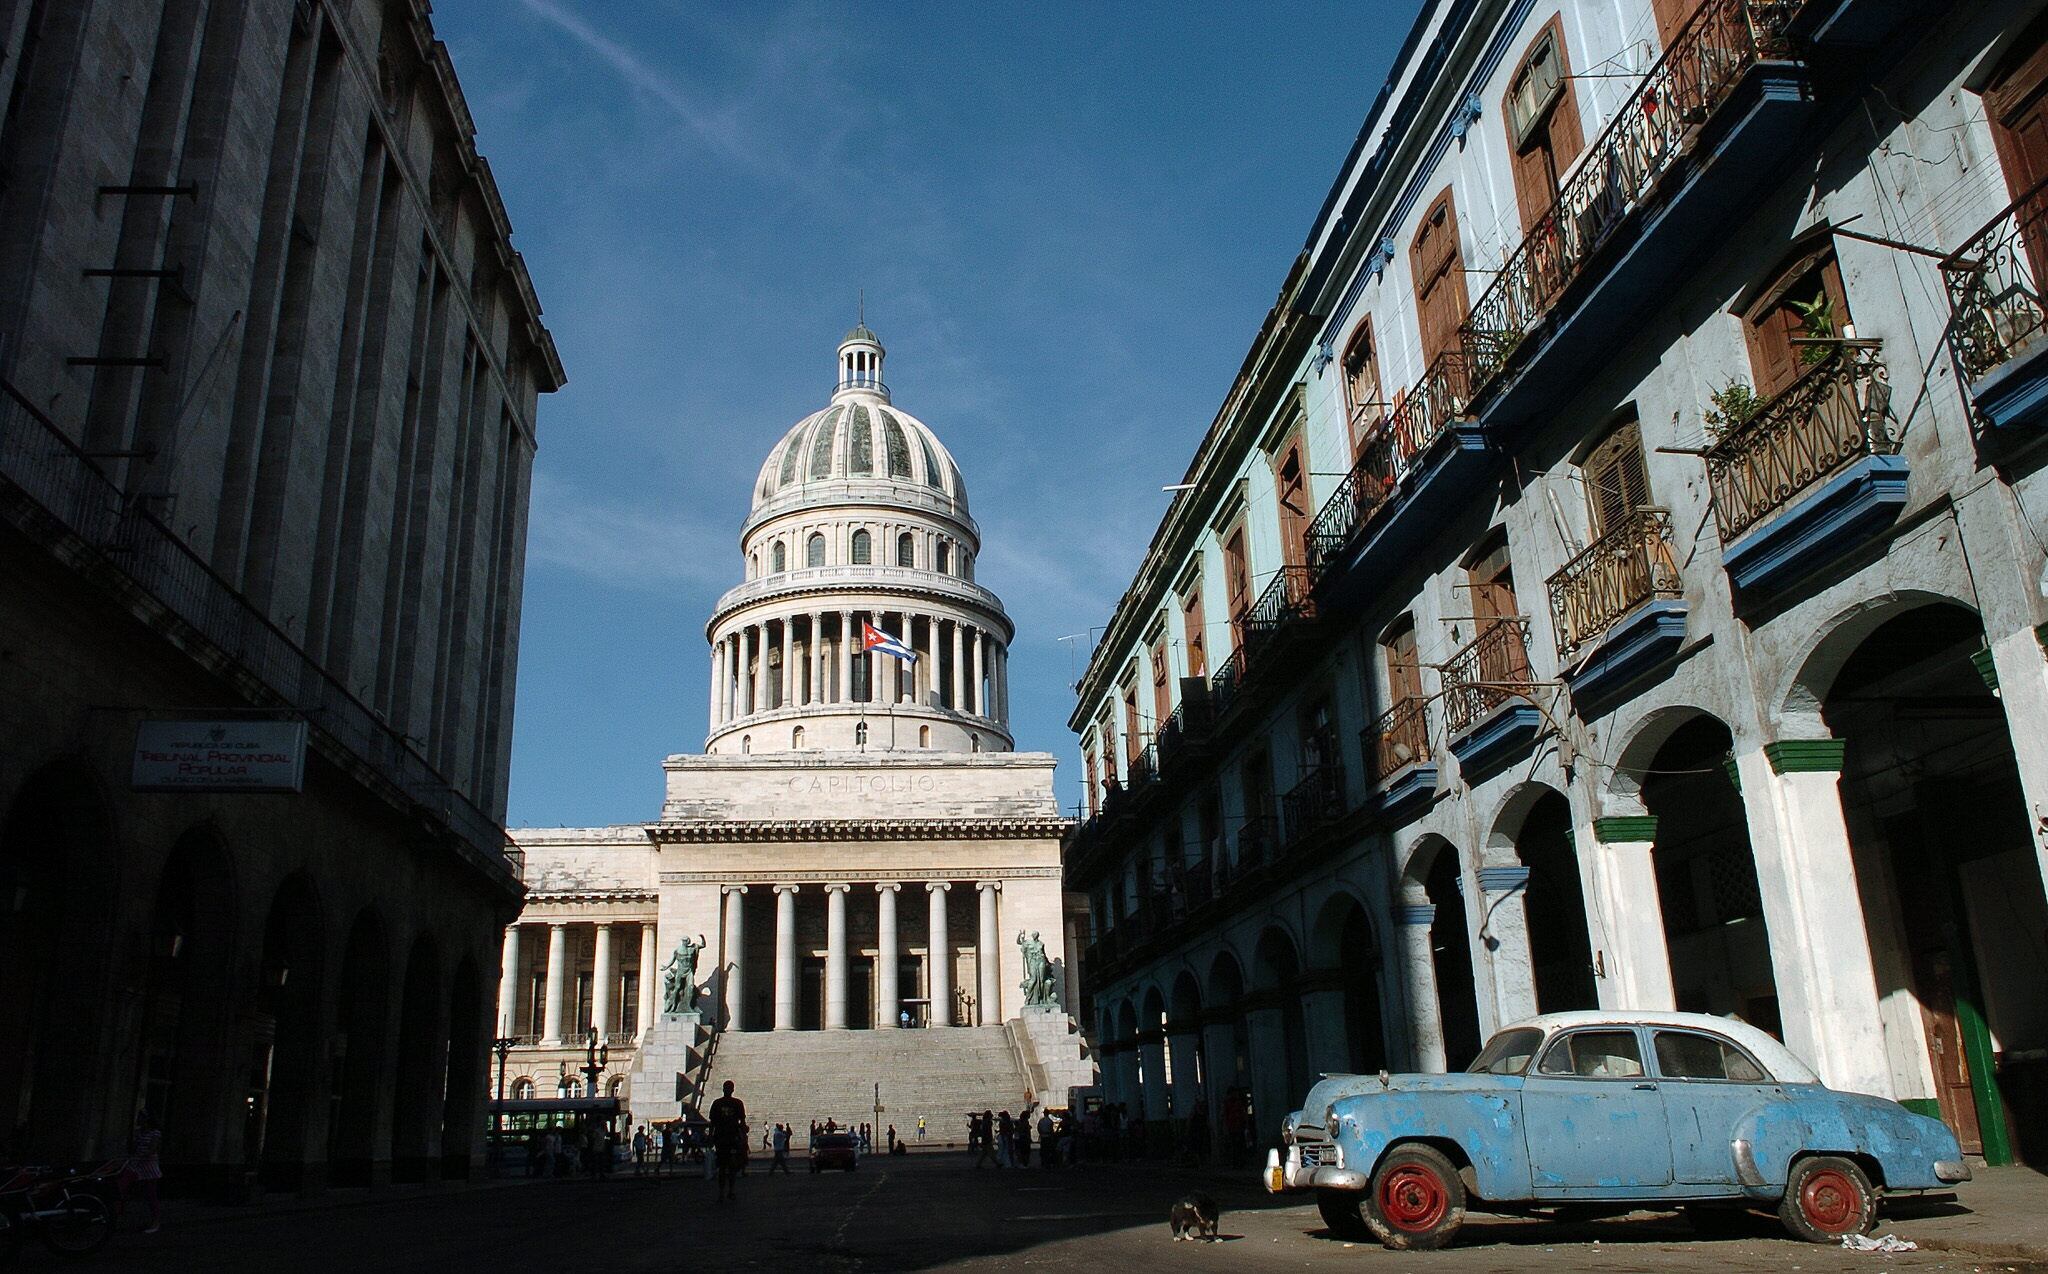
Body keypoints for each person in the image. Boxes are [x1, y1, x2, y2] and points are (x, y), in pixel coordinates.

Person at [119, 1110, 163, 1234]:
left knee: (151, 1195)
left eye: (140, 1118)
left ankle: (155, 1221)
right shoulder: (139, 1133)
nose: (138, 1121)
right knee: (121, 1187)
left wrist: (141, 1155)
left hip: (148, 1167)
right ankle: (117, 1213)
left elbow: (152, 1149)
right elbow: (134, 1148)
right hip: (135, 1165)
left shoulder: (155, 1133)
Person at [709, 1080, 747, 1201]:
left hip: (722, 1138)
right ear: (732, 1089)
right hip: (731, 1138)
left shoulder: (717, 1103)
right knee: (730, 1167)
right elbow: (742, 1122)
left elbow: (712, 1123)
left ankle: (723, 1192)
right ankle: (729, 1191)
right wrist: (743, 1136)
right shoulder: (737, 1103)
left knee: (724, 1167)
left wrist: (711, 1136)